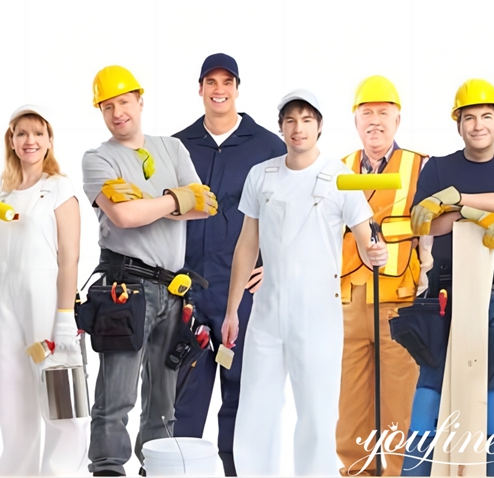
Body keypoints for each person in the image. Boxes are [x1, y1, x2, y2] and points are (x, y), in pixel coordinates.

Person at [221, 89, 388, 476]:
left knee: (316, 411)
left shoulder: (340, 178)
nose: (299, 128)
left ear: (320, 127)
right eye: (291, 121)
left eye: (307, 120)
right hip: (266, 315)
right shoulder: (261, 175)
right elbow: (247, 246)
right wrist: (233, 310)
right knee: (255, 410)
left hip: (318, 316)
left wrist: (375, 253)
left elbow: (367, 240)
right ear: (281, 127)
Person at [81, 65, 217, 477]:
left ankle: (157, 469)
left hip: (173, 289)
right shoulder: (98, 158)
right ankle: (107, 468)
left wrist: (151, 202)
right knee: (116, 394)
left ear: (140, 101)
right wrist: (177, 197)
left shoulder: (172, 148)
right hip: (125, 286)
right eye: (107, 106)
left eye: (123, 102)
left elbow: (205, 205)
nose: (117, 112)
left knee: (163, 399)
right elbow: (122, 216)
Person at [403, 79, 494, 476]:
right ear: (458, 124)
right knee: (428, 400)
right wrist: (470, 213)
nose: (478, 125)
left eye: (486, 117)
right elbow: (427, 223)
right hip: (443, 292)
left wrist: (456, 199)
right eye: (469, 117)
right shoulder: (437, 166)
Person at [172, 53, 286, 476]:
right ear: (199, 88)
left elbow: (291, 211)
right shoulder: (177, 145)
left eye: (227, 81)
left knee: (242, 397)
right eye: (211, 82)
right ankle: (177, 469)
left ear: (238, 88)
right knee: (183, 396)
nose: (219, 89)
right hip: (185, 289)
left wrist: (273, 264)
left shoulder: (268, 146)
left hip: (242, 292)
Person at [0, 105, 87, 476]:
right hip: (8, 302)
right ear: (11, 140)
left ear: (49, 140)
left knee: (60, 398)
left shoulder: (59, 187)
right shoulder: (4, 194)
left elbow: (70, 256)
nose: (30, 141)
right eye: (22, 133)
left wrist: (64, 317)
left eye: (38, 133)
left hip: (46, 303)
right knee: (14, 399)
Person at [335, 75, 429, 476]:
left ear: (398, 119)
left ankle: (399, 473)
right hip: (349, 300)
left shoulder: (421, 166)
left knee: (399, 402)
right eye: (366, 113)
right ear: (355, 120)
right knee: (351, 404)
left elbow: (430, 231)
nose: (375, 121)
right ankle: (354, 472)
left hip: (400, 299)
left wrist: (429, 279)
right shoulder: (335, 170)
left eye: (383, 113)